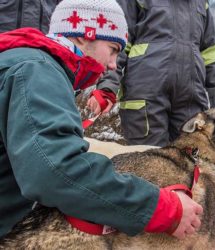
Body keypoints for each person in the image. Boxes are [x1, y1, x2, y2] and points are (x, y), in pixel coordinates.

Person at [0, 0, 202, 239]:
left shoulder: (27, 64)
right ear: (84, 35)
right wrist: (162, 208)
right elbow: (56, 170)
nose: (113, 65)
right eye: (113, 49)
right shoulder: (37, 72)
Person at [91, 0, 215, 146]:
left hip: (192, 100)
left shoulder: (201, 3)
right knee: (149, 160)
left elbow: (212, 57)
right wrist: (107, 87)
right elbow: (117, 43)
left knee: (194, 160)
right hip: (145, 98)